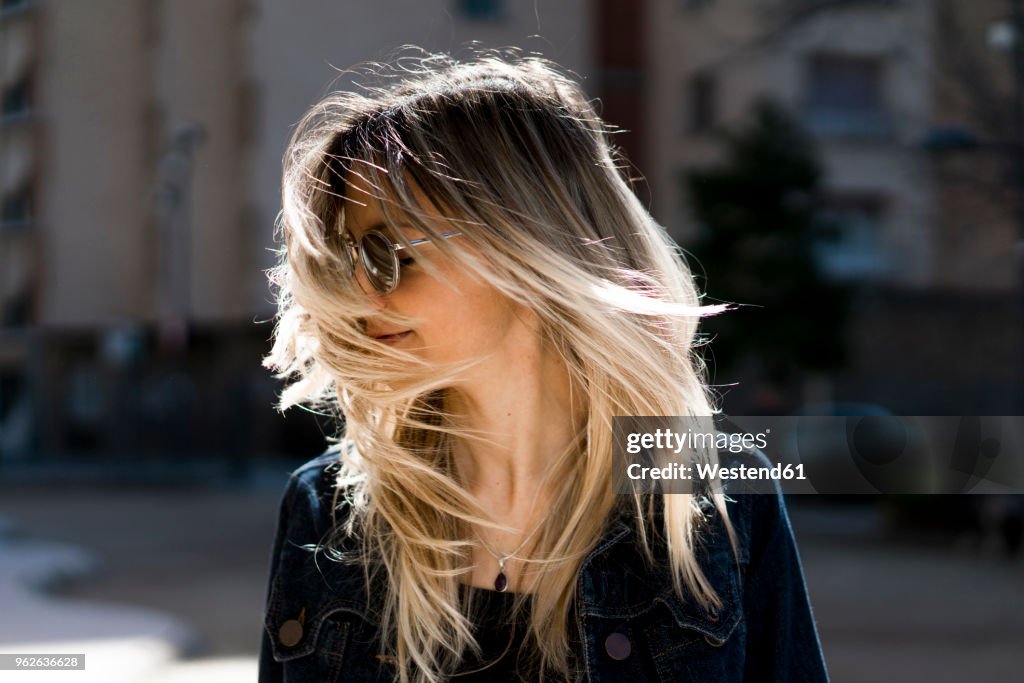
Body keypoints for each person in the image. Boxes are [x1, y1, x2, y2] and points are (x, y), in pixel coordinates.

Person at [258, 51, 829, 683]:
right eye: (347, 261)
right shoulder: (323, 507)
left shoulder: (719, 498)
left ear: (525, 243)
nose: (363, 293)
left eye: (389, 254)